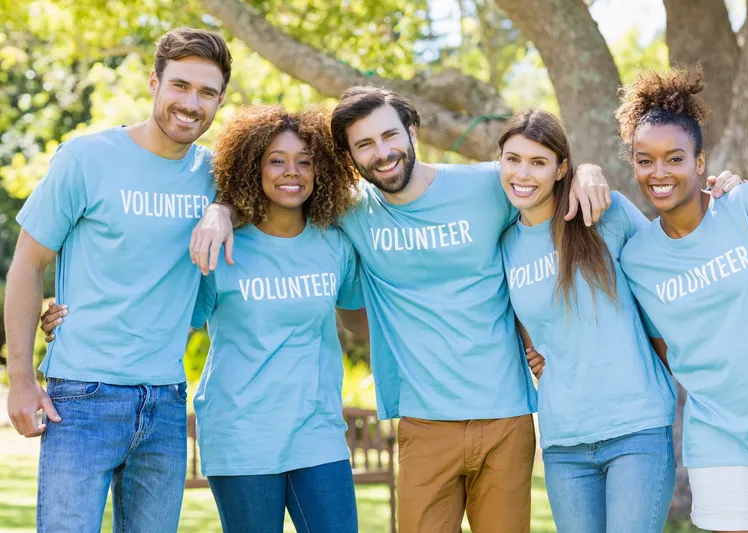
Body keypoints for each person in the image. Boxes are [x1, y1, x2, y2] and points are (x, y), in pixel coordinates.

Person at [190, 85, 616, 533]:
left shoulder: (487, 186)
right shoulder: (349, 214)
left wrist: (586, 170)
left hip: (505, 415)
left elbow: (541, 175)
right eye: (364, 145)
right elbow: (272, 194)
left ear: (411, 130)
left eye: (390, 135)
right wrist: (220, 209)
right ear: (349, 158)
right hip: (422, 420)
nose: (383, 152)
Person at [5, 28, 230, 532]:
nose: (191, 103)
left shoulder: (217, 175)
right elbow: (27, 264)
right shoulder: (86, 159)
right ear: (154, 82)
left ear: (220, 100)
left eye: (207, 92)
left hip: (166, 400)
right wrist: (21, 379)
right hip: (82, 398)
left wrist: (223, 209)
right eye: (180, 85)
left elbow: (278, 188)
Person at [618, 67, 748, 533]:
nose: (659, 173)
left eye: (674, 158)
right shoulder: (637, 259)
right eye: (645, 160)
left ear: (700, 162)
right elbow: (665, 350)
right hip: (717, 446)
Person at [498, 108, 678, 533]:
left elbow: (673, 260)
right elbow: (527, 322)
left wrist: (724, 192)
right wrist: (534, 351)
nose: (523, 173)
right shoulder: (503, 243)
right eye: (513, 159)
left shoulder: (604, 213)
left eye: (538, 162)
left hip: (636, 428)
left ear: (562, 168)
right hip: (563, 441)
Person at [189, 105, 365, 533]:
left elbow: (365, 323)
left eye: (305, 161)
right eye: (277, 160)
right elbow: (170, 323)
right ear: (254, 167)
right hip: (241, 433)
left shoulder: (334, 246)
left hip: (318, 433)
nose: (292, 172)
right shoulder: (222, 245)